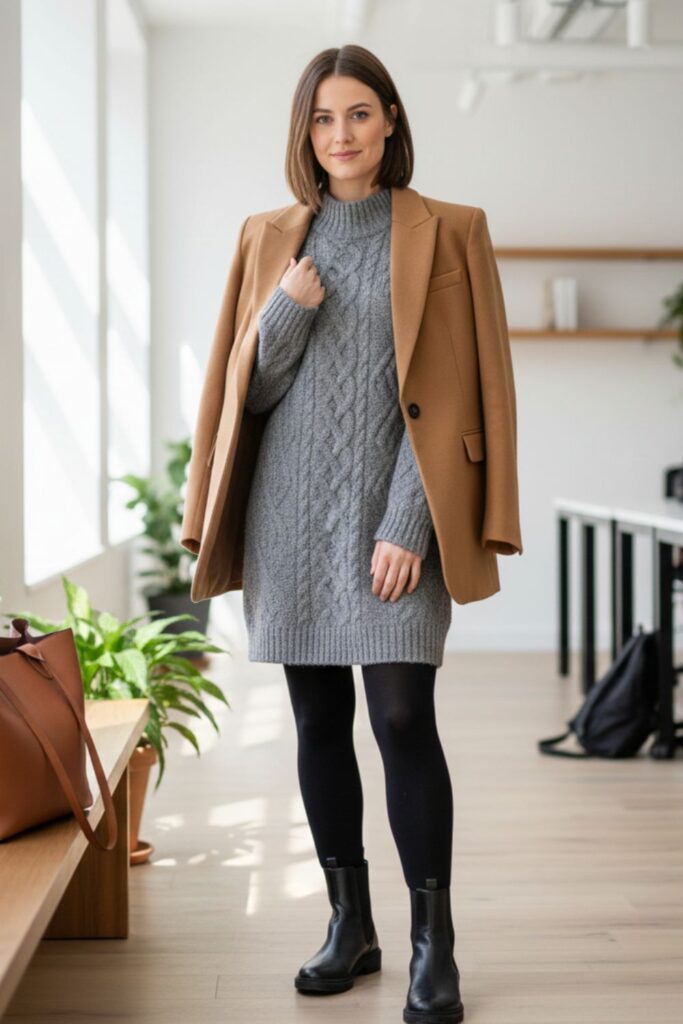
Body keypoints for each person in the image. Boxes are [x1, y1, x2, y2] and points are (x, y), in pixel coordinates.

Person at [239, 44, 472, 1024]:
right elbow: (247, 397)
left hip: (395, 519)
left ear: (389, 121)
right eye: (323, 118)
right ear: (306, 132)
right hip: (289, 519)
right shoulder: (269, 236)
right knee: (317, 721)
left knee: (402, 719)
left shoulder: (448, 231)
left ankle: (432, 943)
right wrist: (285, 312)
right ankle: (350, 925)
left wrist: (408, 521)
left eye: (359, 114)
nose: (341, 135)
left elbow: (457, 392)